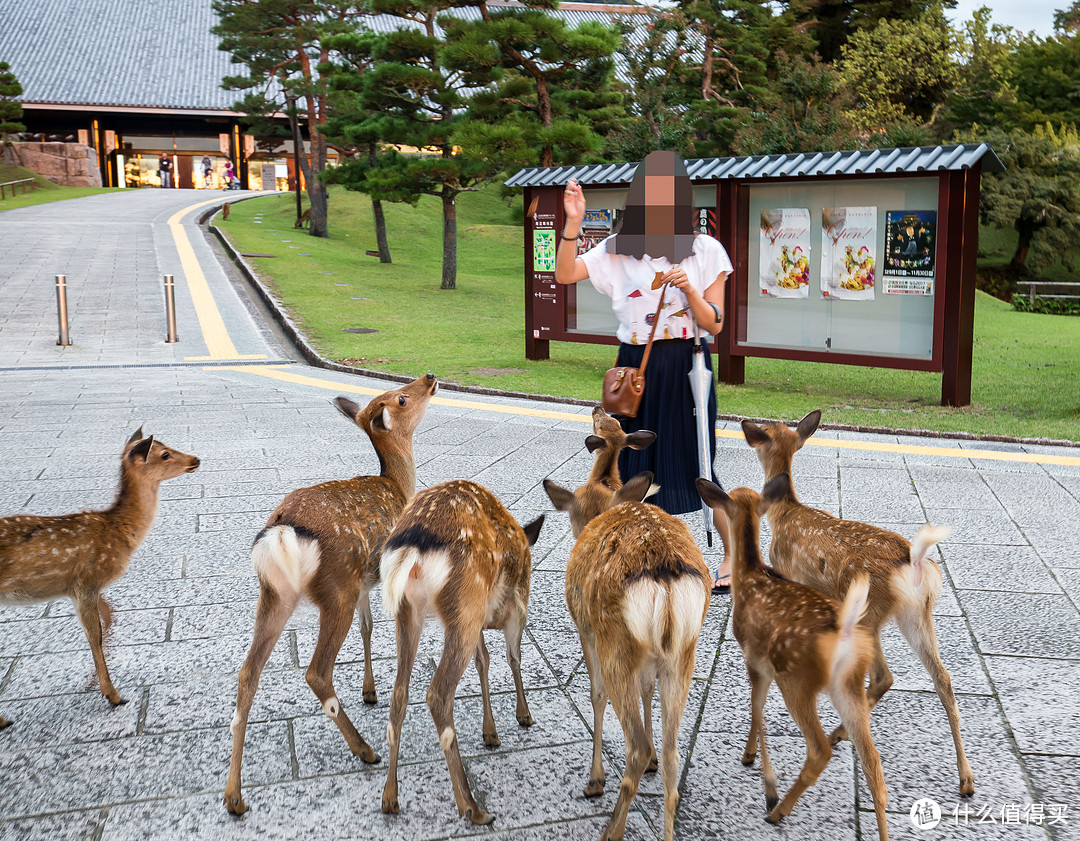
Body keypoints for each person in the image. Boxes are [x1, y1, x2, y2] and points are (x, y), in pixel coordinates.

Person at [555, 150, 733, 594]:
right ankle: (634, 556)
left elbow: (715, 322)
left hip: (685, 363)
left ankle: (735, 557)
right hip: (632, 366)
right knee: (627, 463)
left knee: (700, 460)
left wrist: (689, 287)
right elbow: (563, 273)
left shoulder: (704, 250)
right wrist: (573, 223)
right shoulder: (617, 249)